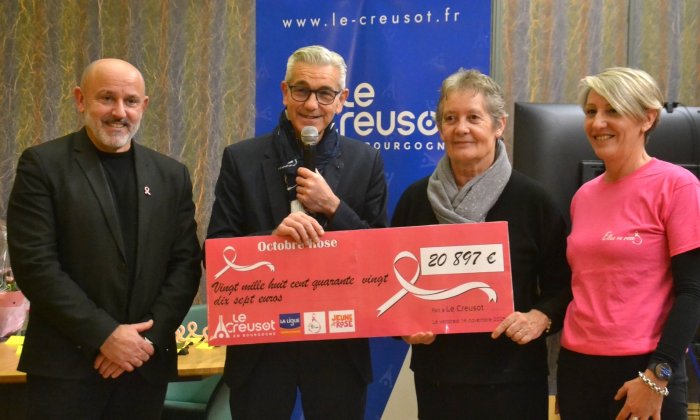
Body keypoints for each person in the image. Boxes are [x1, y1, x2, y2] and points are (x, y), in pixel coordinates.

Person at [7, 58, 202, 419]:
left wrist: (143, 342)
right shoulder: (42, 166)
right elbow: (36, 265)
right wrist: (105, 336)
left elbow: (185, 266)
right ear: (80, 100)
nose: (119, 112)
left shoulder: (171, 175)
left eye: (131, 101)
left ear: (144, 106)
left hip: (143, 368)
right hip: (66, 370)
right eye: (107, 98)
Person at [206, 45, 388, 419]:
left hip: (338, 346)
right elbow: (216, 253)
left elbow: (380, 257)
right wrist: (270, 241)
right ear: (285, 92)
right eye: (301, 90)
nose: (312, 104)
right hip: (261, 346)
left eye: (325, 93)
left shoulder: (365, 160)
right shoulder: (241, 158)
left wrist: (334, 207)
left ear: (342, 99)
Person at [392, 68, 571, 420]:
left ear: (499, 125)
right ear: (440, 128)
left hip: (515, 380)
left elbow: (565, 284)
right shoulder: (415, 201)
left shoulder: (533, 201)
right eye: (450, 118)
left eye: (474, 117)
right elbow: (391, 285)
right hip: (438, 379)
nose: (461, 128)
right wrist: (404, 327)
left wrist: (541, 317)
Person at [556, 67, 700, 420]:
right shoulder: (583, 196)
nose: (597, 123)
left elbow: (694, 291)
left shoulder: (677, 186)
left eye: (613, 110)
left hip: (645, 370)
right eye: (591, 111)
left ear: (647, 118)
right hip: (578, 368)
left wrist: (657, 376)